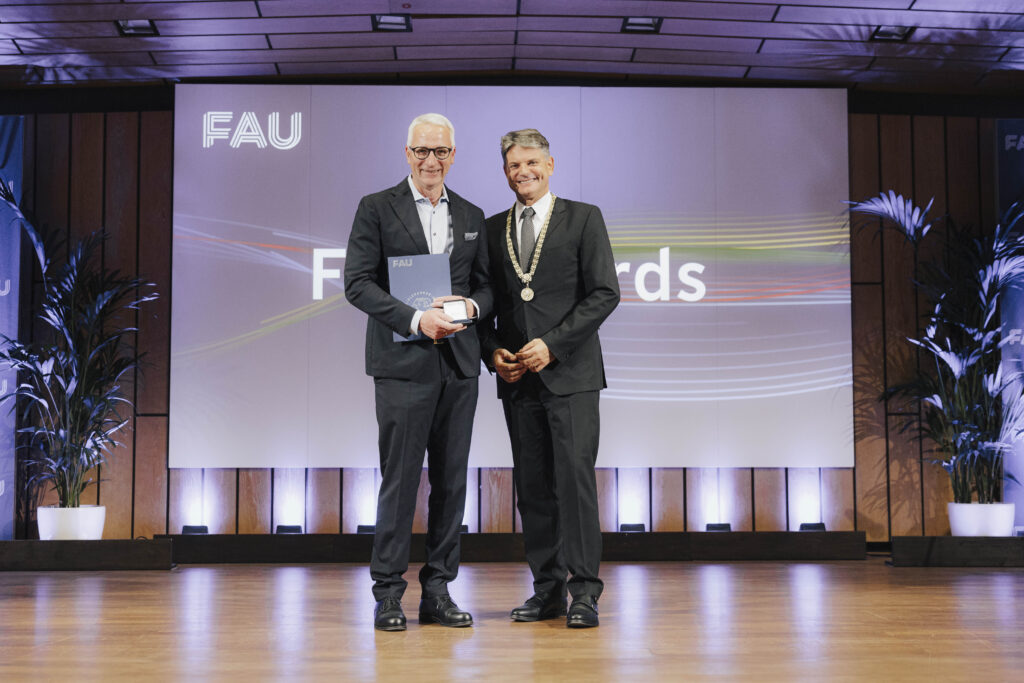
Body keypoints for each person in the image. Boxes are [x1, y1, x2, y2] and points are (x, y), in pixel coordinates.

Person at [344, 113, 490, 632]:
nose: (431, 160)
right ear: (407, 153)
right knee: (400, 480)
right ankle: (388, 594)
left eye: (441, 151)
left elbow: (486, 287)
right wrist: (414, 319)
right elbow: (357, 283)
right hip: (403, 364)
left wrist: (471, 308)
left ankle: (438, 591)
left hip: (459, 365)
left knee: (451, 483)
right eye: (422, 151)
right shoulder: (376, 207)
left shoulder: (471, 214)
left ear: (453, 155)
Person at [479, 128, 620, 628]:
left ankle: (584, 592)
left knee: (575, 485)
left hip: (572, 375)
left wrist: (553, 344)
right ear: (505, 172)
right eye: (514, 165)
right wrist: (491, 351)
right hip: (518, 379)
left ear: (550, 164)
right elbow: (486, 303)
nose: (524, 172)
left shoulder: (584, 217)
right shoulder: (491, 229)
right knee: (533, 488)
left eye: (532, 162)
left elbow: (604, 293)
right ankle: (547, 590)